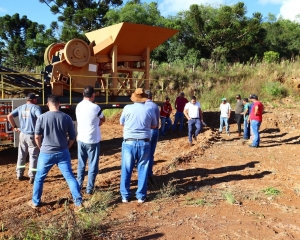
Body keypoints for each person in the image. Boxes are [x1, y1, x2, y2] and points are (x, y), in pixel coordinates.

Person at [28, 95, 83, 212]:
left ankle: (35, 202)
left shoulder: (42, 118)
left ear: (48, 104)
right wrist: (66, 147)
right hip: (63, 152)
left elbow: (37, 136)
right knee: (70, 177)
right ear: (59, 104)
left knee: (39, 178)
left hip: (46, 153)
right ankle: (78, 203)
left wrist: (41, 147)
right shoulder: (67, 117)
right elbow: (73, 137)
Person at [119, 88, 157, 203]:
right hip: (144, 142)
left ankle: (125, 196)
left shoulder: (127, 108)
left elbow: (121, 123)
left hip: (129, 142)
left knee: (126, 168)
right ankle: (141, 196)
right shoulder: (149, 109)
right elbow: (155, 126)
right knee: (143, 169)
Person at [76, 86, 105, 195]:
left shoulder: (78, 106)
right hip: (92, 140)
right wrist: (99, 122)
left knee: (81, 164)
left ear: (83, 94)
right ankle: (89, 189)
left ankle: (79, 186)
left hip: (81, 139)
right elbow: (103, 119)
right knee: (92, 165)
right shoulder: (95, 108)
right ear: (93, 95)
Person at [7, 93, 42, 184]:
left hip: (22, 134)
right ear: (34, 100)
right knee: (33, 155)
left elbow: (9, 116)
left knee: (21, 154)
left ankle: (19, 174)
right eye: (36, 99)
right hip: (32, 135)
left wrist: (15, 126)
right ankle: (32, 176)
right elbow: (40, 119)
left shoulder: (21, 107)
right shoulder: (35, 108)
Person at [145, 90, 159, 183]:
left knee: (143, 154)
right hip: (154, 130)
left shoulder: (142, 106)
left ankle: (144, 175)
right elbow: (157, 120)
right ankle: (149, 174)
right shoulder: (155, 106)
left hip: (145, 131)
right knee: (150, 154)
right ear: (151, 97)